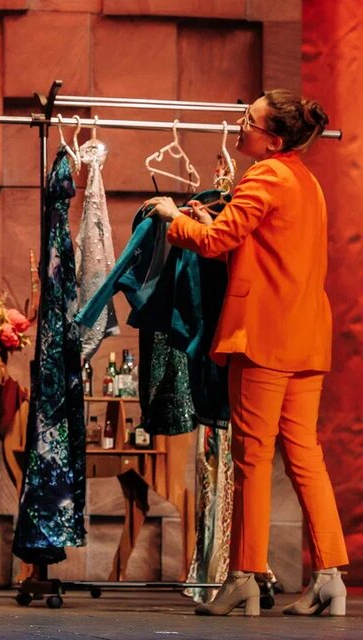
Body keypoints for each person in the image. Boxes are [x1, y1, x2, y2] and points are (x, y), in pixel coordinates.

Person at [144, 90, 348, 617]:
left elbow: (216, 242)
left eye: (248, 119)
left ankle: (244, 577)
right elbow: (254, 242)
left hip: (264, 336)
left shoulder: (264, 176)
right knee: (304, 454)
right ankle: (330, 577)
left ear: (272, 140)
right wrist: (206, 215)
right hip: (305, 335)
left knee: (251, 458)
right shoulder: (305, 181)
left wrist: (172, 216)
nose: (239, 124)